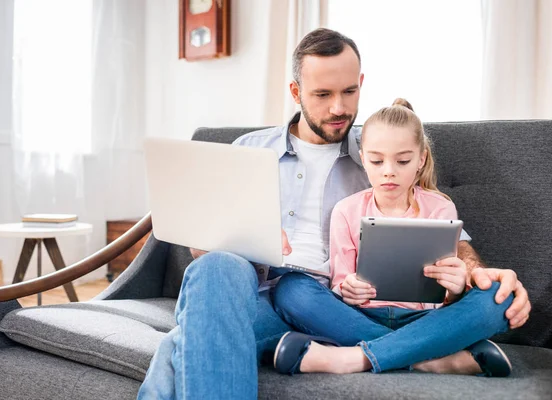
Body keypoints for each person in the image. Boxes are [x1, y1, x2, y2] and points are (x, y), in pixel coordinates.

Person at [137, 28, 531, 399]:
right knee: (215, 268)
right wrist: (242, 239)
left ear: (362, 83)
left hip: (343, 308)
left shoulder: (380, 149)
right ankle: (425, 356)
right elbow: (205, 251)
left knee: (181, 342)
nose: (339, 108)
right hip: (264, 297)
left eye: (349, 91)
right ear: (296, 91)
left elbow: (445, 234)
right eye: (323, 94)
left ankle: (364, 354)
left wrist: (477, 270)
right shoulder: (247, 149)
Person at [271, 98, 513, 377]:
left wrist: (456, 288)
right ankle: (430, 358)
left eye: (403, 161)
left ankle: (352, 357)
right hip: (360, 316)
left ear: (420, 160)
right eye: (376, 160)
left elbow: (446, 291)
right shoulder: (346, 210)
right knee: (292, 289)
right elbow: (340, 282)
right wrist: (349, 289)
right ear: (363, 159)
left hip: (425, 320)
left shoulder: (440, 207)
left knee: (499, 297)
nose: (388, 170)